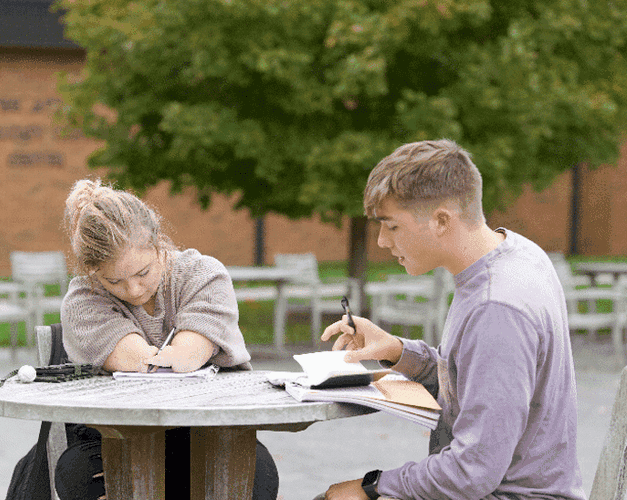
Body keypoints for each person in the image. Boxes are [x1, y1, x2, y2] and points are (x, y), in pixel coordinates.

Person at [318, 139, 586, 500]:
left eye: (392, 226)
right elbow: (467, 379)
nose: (381, 241)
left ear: (442, 221)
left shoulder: (496, 308)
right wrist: (396, 350)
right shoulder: (515, 254)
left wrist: (373, 484)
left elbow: (472, 472)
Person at [55, 178, 279, 500]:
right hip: (114, 436)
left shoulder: (204, 275)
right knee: (80, 476)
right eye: (114, 281)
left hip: (207, 430)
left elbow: (186, 356)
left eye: (143, 273)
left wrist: (178, 355)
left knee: (258, 474)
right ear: (92, 273)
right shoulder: (83, 300)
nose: (133, 290)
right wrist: (164, 357)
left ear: (159, 245)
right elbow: (139, 361)